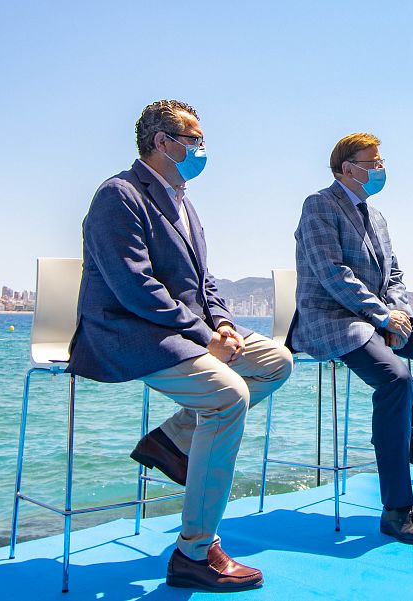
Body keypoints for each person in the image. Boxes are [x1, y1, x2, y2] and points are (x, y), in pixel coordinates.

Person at [67, 100, 293, 591]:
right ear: (161, 142)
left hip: (182, 329)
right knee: (228, 397)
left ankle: (172, 439)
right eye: (193, 139)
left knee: (276, 361)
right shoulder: (119, 195)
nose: (200, 149)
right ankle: (194, 552)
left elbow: (204, 281)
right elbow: (134, 286)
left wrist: (225, 325)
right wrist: (203, 335)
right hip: (130, 333)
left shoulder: (184, 202)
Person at [292, 133, 413, 545]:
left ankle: (403, 427)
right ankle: (398, 511)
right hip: (335, 319)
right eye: (372, 162)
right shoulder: (319, 205)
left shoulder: (377, 217)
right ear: (347, 169)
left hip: (381, 318)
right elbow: (331, 271)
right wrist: (382, 316)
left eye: (381, 161)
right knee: (397, 380)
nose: (380, 169)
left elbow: (394, 275)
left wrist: (397, 314)